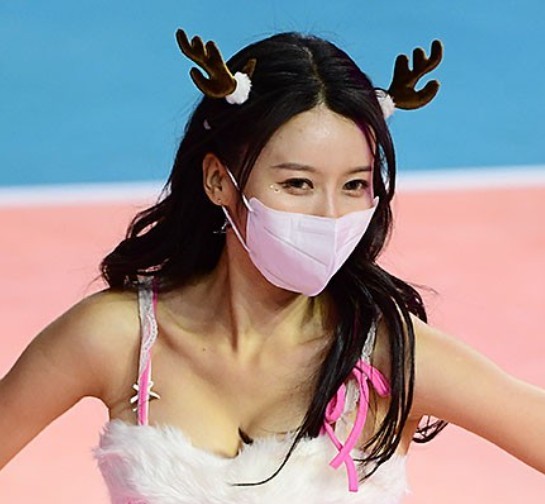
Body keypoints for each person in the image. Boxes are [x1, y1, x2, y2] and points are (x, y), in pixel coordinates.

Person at [1, 28, 544, 503]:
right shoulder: (116, 337)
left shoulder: (393, 354)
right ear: (218, 180)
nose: (330, 215)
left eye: (354, 185)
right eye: (297, 183)